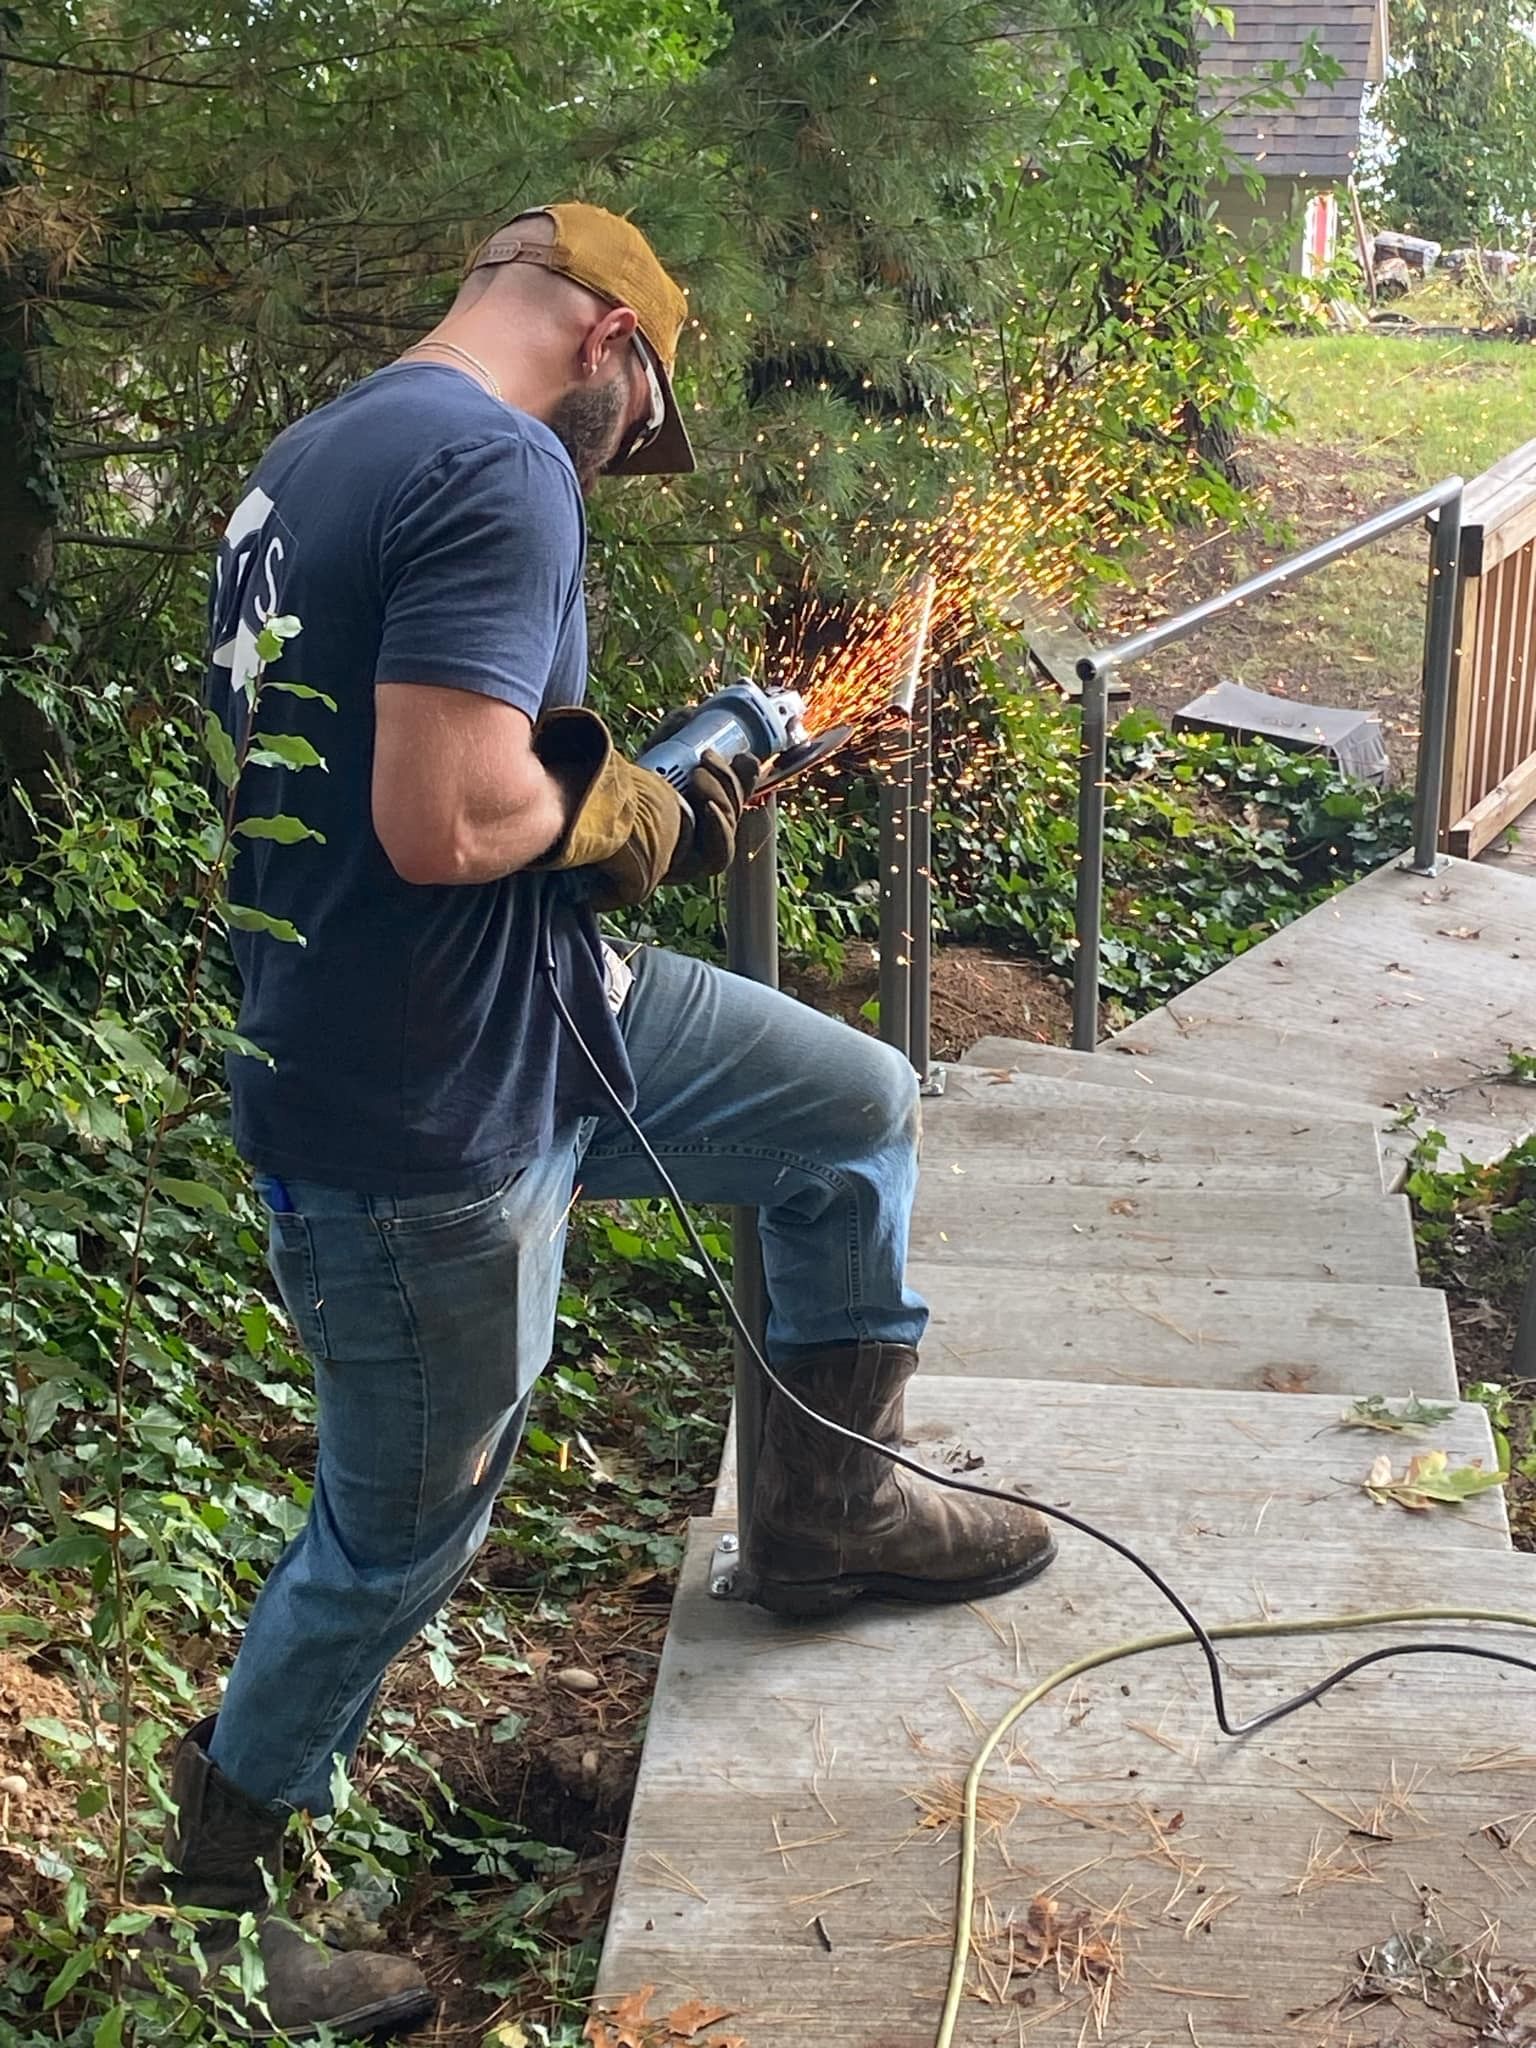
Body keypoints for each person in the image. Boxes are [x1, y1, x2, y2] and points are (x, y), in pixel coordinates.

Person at [153, 202, 1055, 2036]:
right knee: (402, 1530)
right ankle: (215, 1920)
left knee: (849, 1102)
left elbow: (423, 790)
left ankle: (823, 1513)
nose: (629, 457)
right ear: (605, 341)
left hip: (541, 1015)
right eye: (643, 422)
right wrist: (642, 813)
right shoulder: (500, 465)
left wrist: (652, 773)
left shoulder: (314, 455)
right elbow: (443, 821)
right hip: (427, 1118)